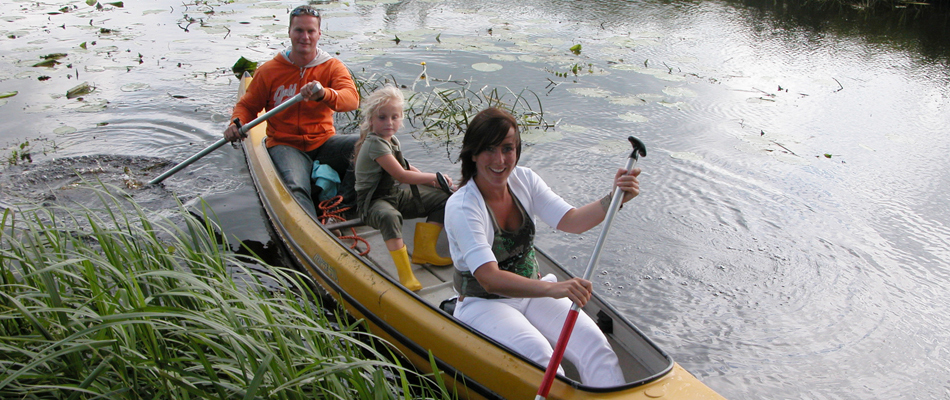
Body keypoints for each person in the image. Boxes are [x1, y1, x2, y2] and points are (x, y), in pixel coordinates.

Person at [444, 107, 641, 387]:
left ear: (517, 150)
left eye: (507, 148)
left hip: (532, 291)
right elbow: (488, 279)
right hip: (482, 304)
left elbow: (572, 221)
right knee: (544, 362)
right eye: (489, 149)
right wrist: (554, 288)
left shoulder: (524, 180)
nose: (500, 160)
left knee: (596, 346)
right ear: (473, 153)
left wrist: (614, 199)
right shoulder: (463, 206)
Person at [225, 5, 359, 219]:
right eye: (299, 30)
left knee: (366, 145)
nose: (304, 37)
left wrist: (324, 94)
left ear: (319, 34)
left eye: (310, 31)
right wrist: (236, 123)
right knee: (295, 186)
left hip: (323, 142)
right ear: (289, 32)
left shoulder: (332, 66)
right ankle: (311, 230)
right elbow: (248, 106)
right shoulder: (269, 71)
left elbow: (351, 100)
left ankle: (340, 209)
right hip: (285, 144)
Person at [353, 85, 454, 291]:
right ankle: (405, 275)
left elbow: (407, 167)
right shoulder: (375, 144)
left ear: (401, 119)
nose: (389, 122)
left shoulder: (391, 140)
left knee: (445, 199)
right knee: (390, 217)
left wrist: (435, 183)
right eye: (382, 118)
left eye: (394, 117)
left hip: (394, 195)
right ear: (371, 119)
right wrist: (435, 176)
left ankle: (424, 251)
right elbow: (401, 176)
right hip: (372, 203)